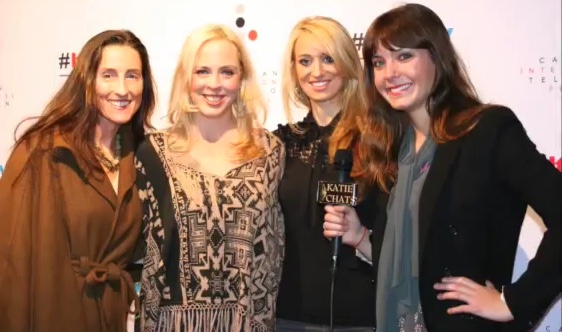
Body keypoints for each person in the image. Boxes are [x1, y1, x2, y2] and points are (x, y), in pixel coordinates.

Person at [324, 3, 562, 332]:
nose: (389, 73)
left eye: (404, 56)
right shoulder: (392, 149)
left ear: (437, 57)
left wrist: (513, 301)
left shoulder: (488, 130)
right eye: (379, 62)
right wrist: (361, 238)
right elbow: (417, 257)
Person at [0, 29, 157, 332]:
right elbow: (11, 266)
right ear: (87, 80)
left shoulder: (138, 155)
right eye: (108, 75)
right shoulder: (43, 152)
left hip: (112, 316)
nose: (122, 89)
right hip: (55, 314)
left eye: (133, 76)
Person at [135, 24, 285, 332]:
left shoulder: (269, 152)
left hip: (247, 324)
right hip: (172, 324)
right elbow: (145, 254)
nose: (214, 84)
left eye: (227, 72)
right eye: (202, 71)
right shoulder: (153, 153)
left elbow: (274, 253)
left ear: (241, 78)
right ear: (186, 77)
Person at [274, 16, 396, 331]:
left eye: (328, 58)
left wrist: (361, 237)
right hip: (288, 316)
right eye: (305, 60)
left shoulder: (377, 139)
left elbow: (403, 244)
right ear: (293, 70)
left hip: (360, 317)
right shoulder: (279, 144)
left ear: (346, 62)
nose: (317, 71)